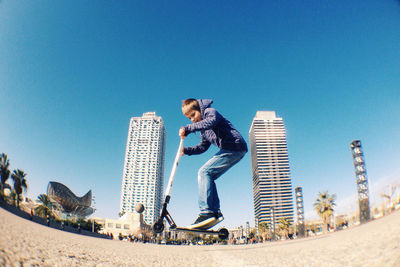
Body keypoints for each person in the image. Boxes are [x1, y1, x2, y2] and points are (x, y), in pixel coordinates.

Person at [179, 99, 247, 230]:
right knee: (208, 174)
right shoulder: (203, 130)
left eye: (193, 115)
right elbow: (202, 148)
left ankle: (207, 212)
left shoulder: (210, 112)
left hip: (235, 145)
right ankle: (214, 212)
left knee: (204, 172)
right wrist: (186, 150)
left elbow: (211, 121)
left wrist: (188, 129)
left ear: (199, 109)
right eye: (189, 118)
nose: (192, 120)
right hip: (232, 149)